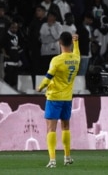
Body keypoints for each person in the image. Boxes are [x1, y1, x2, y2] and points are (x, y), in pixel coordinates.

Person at [36, 32, 80, 168]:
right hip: (67, 98)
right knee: (66, 126)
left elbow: (48, 77)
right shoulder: (76, 59)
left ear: (59, 43)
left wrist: (40, 87)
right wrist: (76, 42)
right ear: (71, 43)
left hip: (54, 97)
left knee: (51, 128)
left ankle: (53, 160)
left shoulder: (56, 60)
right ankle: (67, 157)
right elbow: (77, 52)